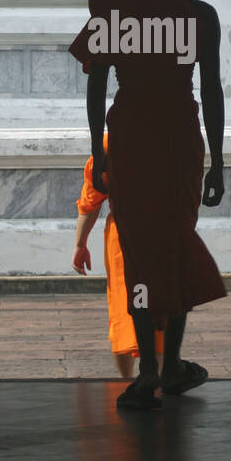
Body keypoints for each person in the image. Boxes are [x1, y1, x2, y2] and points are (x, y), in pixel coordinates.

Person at [69, 0, 226, 409]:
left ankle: (151, 371)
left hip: (132, 141)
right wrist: (218, 160)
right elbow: (212, 90)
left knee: (137, 252)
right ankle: (173, 363)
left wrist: (99, 149)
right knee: (176, 244)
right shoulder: (200, 16)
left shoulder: (115, 12)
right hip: (180, 141)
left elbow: (96, 87)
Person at [72, 134, 164, 379]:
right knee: (156, 310)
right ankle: (156, 378)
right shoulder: (165, 138)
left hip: (123, 235)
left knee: (125, 308)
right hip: (159, 231)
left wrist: (80, 244)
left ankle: (127, 381)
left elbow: (90, 204)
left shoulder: (108, 144)